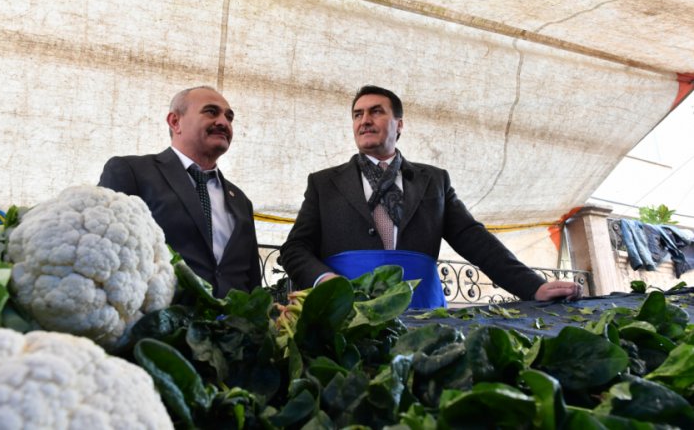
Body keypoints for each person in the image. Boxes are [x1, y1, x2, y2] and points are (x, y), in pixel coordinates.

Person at [279, 85, 582, 302]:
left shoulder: (434, 181)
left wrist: (533, 287)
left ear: (399, 125)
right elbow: (294, 249)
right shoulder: (323, 184)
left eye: (376, 112)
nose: (364, 120)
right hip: (347, 310)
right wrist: (325, 281)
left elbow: (475, 240)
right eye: (357, 115)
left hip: (422, 311)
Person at [99, 86, 261, 298]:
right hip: (160, 314)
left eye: (229, 117)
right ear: (175, 122)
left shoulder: (241, 200)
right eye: (211, 112)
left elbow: (252, 278)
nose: (224, 122)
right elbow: (105, 252)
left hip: (233, 318)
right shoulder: (132, 172)